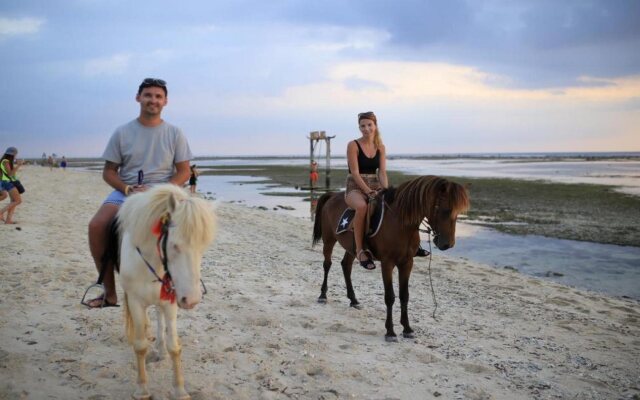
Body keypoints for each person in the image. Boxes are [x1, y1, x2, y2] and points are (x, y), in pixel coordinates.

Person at [85, 78, 192, 308]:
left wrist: (162, 191)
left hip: (164, 194)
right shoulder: (122, 132)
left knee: (188, 230)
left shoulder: (175, 133)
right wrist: (127, 188)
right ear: (138, 98)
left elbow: (184, 171)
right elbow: (109, 172)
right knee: (96, 226)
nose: (153, 100)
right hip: (127, 192)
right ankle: (109, 293)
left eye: (158, 96)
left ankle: (185, 285)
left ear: (165, 101)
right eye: (148, 95)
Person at [345, 111, 388, 270]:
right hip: (355, 186)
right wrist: (368, 191)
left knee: (391, 204)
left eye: (369, 125)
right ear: (359, 127)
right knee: (362, 206)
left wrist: (386, 189)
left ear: (375, 126)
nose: (366, 128)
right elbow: (355, 173)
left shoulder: (381, 147)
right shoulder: (353, 145)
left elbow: (382, 172)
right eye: (362, 125)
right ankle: (359, 250)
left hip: (375, 183)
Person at [0, 147, 24, 224]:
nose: (16, 156)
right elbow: (10, 174)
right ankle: (1, 212)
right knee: (18, 200)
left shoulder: (6, 161)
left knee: (13, 201)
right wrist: (18, 165)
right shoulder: (6, 161)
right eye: (15, 154)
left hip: (7, 182)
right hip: (7, 182)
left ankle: (8, 220)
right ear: (13, 154)